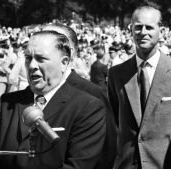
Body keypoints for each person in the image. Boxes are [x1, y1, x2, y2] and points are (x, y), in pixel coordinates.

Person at [0, 30, 106, 169]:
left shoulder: (88, 107)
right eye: (28, 58)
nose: (32, 65)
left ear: (64, 63)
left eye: (40, 59)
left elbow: (78, 164)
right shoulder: (8, 103)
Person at [107, 5, 171, 169]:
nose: (143, 32)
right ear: (131, 30)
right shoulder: (116, 74)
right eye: (138, 27)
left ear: (162, 30)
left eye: (149, 27)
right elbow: (115, 122)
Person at [42, 23, 117, 169]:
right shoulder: (22, 97)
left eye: (55, 43)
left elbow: (108, 149)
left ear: (72, 53)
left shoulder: (92, 94)